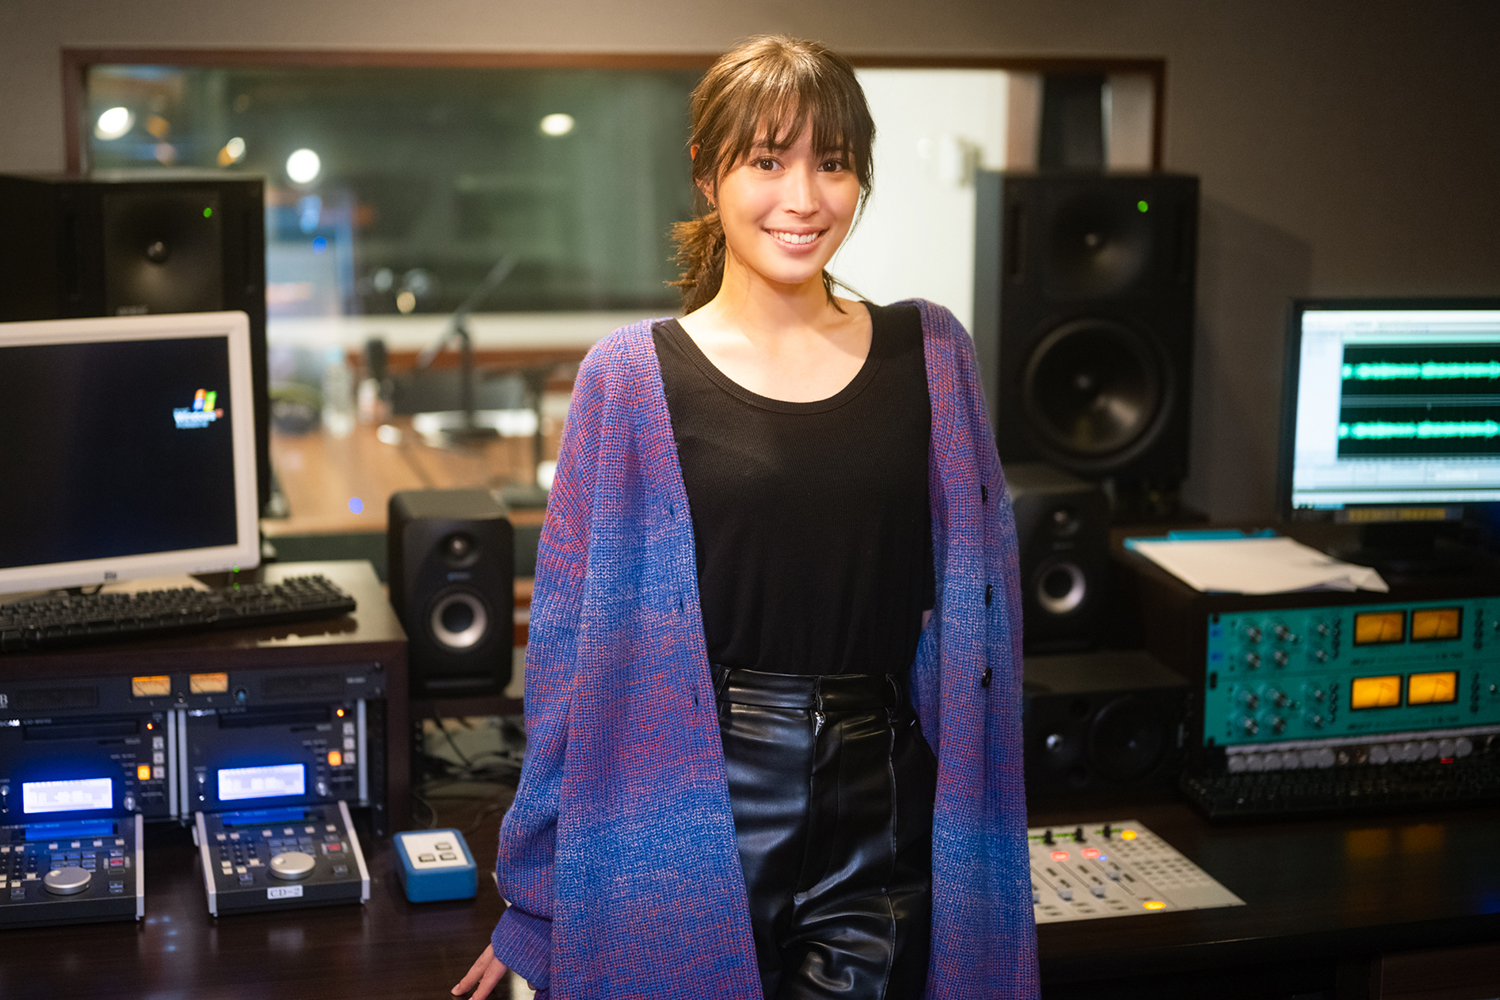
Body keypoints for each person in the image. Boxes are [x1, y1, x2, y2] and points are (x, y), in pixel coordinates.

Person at [454, 35, 1037, 1000]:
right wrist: (537, 902)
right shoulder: (629, 378)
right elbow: (566, 659)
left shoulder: (933, 353)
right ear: (707, 173)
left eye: (833, 163)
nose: (803, 198)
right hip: (685, 799)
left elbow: (988, 628)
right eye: (767, 161)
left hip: (881, 804)